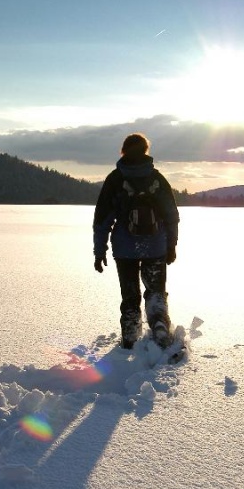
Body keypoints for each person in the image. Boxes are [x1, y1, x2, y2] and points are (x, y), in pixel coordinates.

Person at [93, 133, 179, 349]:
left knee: (130, 297)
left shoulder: (115, 179)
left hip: (124, 249)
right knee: (156, 293)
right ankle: (159, 328)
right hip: (155, 247)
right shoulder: (157, 179)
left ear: (123, 151)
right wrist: (171, 245)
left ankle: (130, 338)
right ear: (145, 151)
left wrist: (99, 250)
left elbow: (102, 219)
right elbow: (171, 216)